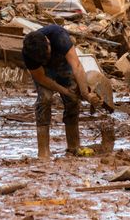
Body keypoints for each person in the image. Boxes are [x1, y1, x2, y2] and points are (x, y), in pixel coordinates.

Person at [22, 25, 101, 160]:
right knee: (44, 100)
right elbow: (41, 78)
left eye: (47, 53)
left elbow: (76, 65)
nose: (47, 58)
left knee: (73, 100)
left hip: (63, 66)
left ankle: (73, 146)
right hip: (44, 74)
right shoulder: (28, 53)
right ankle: (43, 152)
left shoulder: (59, 36)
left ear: (48, 41)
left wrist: (85, 93)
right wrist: (64, 91)